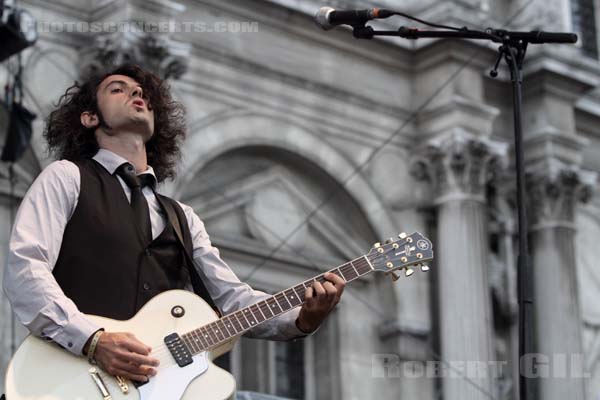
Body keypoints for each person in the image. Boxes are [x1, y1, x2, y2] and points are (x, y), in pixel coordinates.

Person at [3, 64, 345, 384]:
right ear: (90, 117)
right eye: (117, 89)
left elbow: (231, 298)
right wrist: (93, 341)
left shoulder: (182, 217)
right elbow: (26, 269)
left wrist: (301, 319)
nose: (137, 94)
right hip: (70, 380)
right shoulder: (66, 177)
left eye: (142, 92)